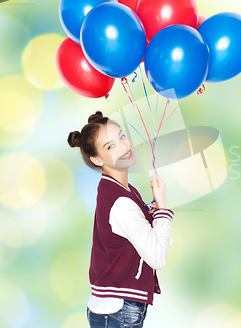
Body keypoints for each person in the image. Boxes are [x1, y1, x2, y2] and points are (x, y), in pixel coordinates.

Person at [67, 110, 174, 328]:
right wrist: (162, 207)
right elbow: (157, 258)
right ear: (96, 159)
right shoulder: (122, 202)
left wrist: (147, 216)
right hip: (118, 310)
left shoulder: (119, 188)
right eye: (110, 146)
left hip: (113, 308)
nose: (124, 146)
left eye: (122, 137)